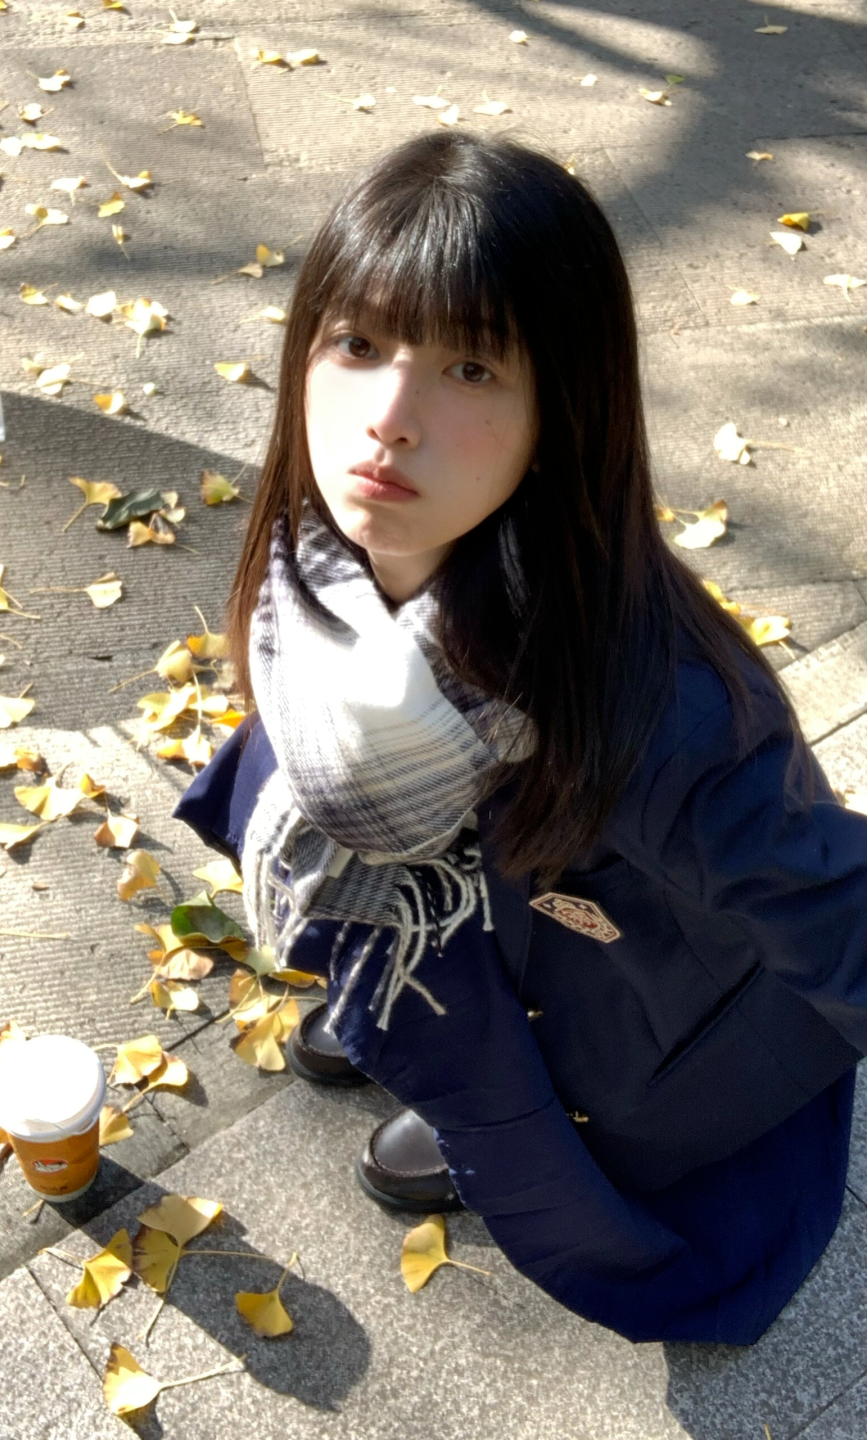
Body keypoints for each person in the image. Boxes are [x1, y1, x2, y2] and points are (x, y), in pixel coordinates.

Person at [172, 130, 867, 1346]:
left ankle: (486, 1119)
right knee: (419, 989)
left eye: (471, 368)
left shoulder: (659, 709)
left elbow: (844, 914)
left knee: (542, 1121)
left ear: (563, 409)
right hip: (467, 926)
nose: (390, 418)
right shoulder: (320, 558)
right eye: (359, 344)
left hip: (615, 1000)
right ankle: (408, 1018)